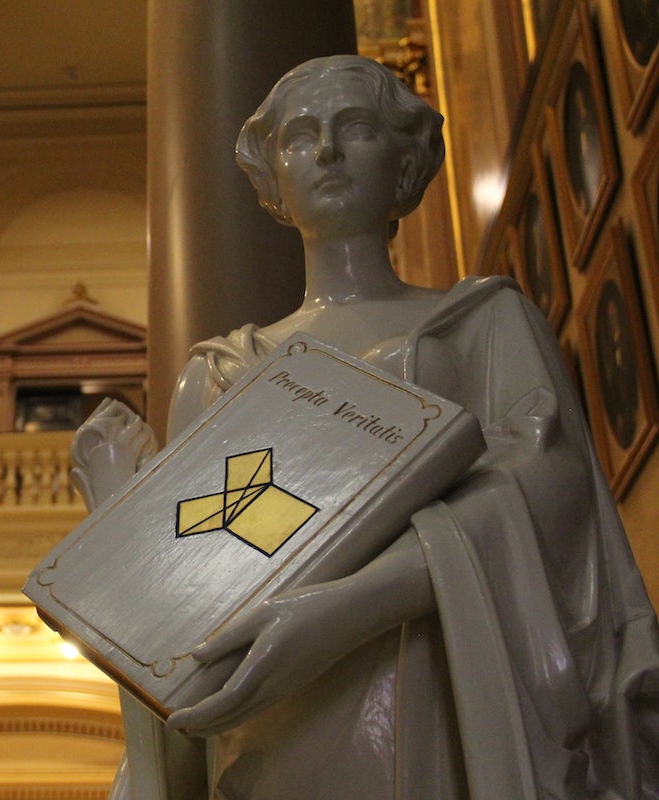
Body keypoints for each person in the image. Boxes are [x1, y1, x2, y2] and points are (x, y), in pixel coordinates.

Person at [71, 55, 659, 799]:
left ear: (407, 160)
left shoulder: (479, 325)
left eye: (356, 128)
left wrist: (349, 607)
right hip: (267, 732)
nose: (324, 153)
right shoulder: (220, 370)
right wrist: (119, 520)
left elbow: (551, 494)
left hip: (438, 696)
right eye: (299, 137)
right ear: (272, 178)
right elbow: (184, 611)